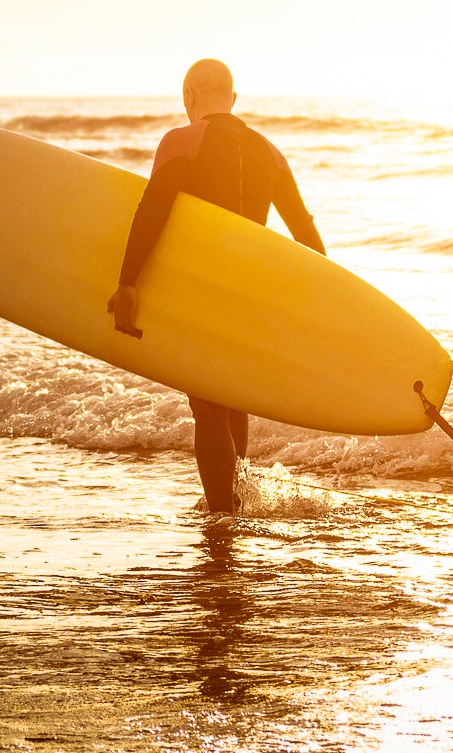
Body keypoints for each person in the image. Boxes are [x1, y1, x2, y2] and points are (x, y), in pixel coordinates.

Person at [107, 59, 325, 514]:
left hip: (205, 290)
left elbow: (152, 211)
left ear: (188, 96)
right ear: (234, 98)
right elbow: (305, 235)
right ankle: (235, 508)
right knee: (230, 396)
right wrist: (324, 304)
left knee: (207, 406)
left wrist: (127, 283)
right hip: (252, 297)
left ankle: (221, 525)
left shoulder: (181, 141)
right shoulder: (271, 151)